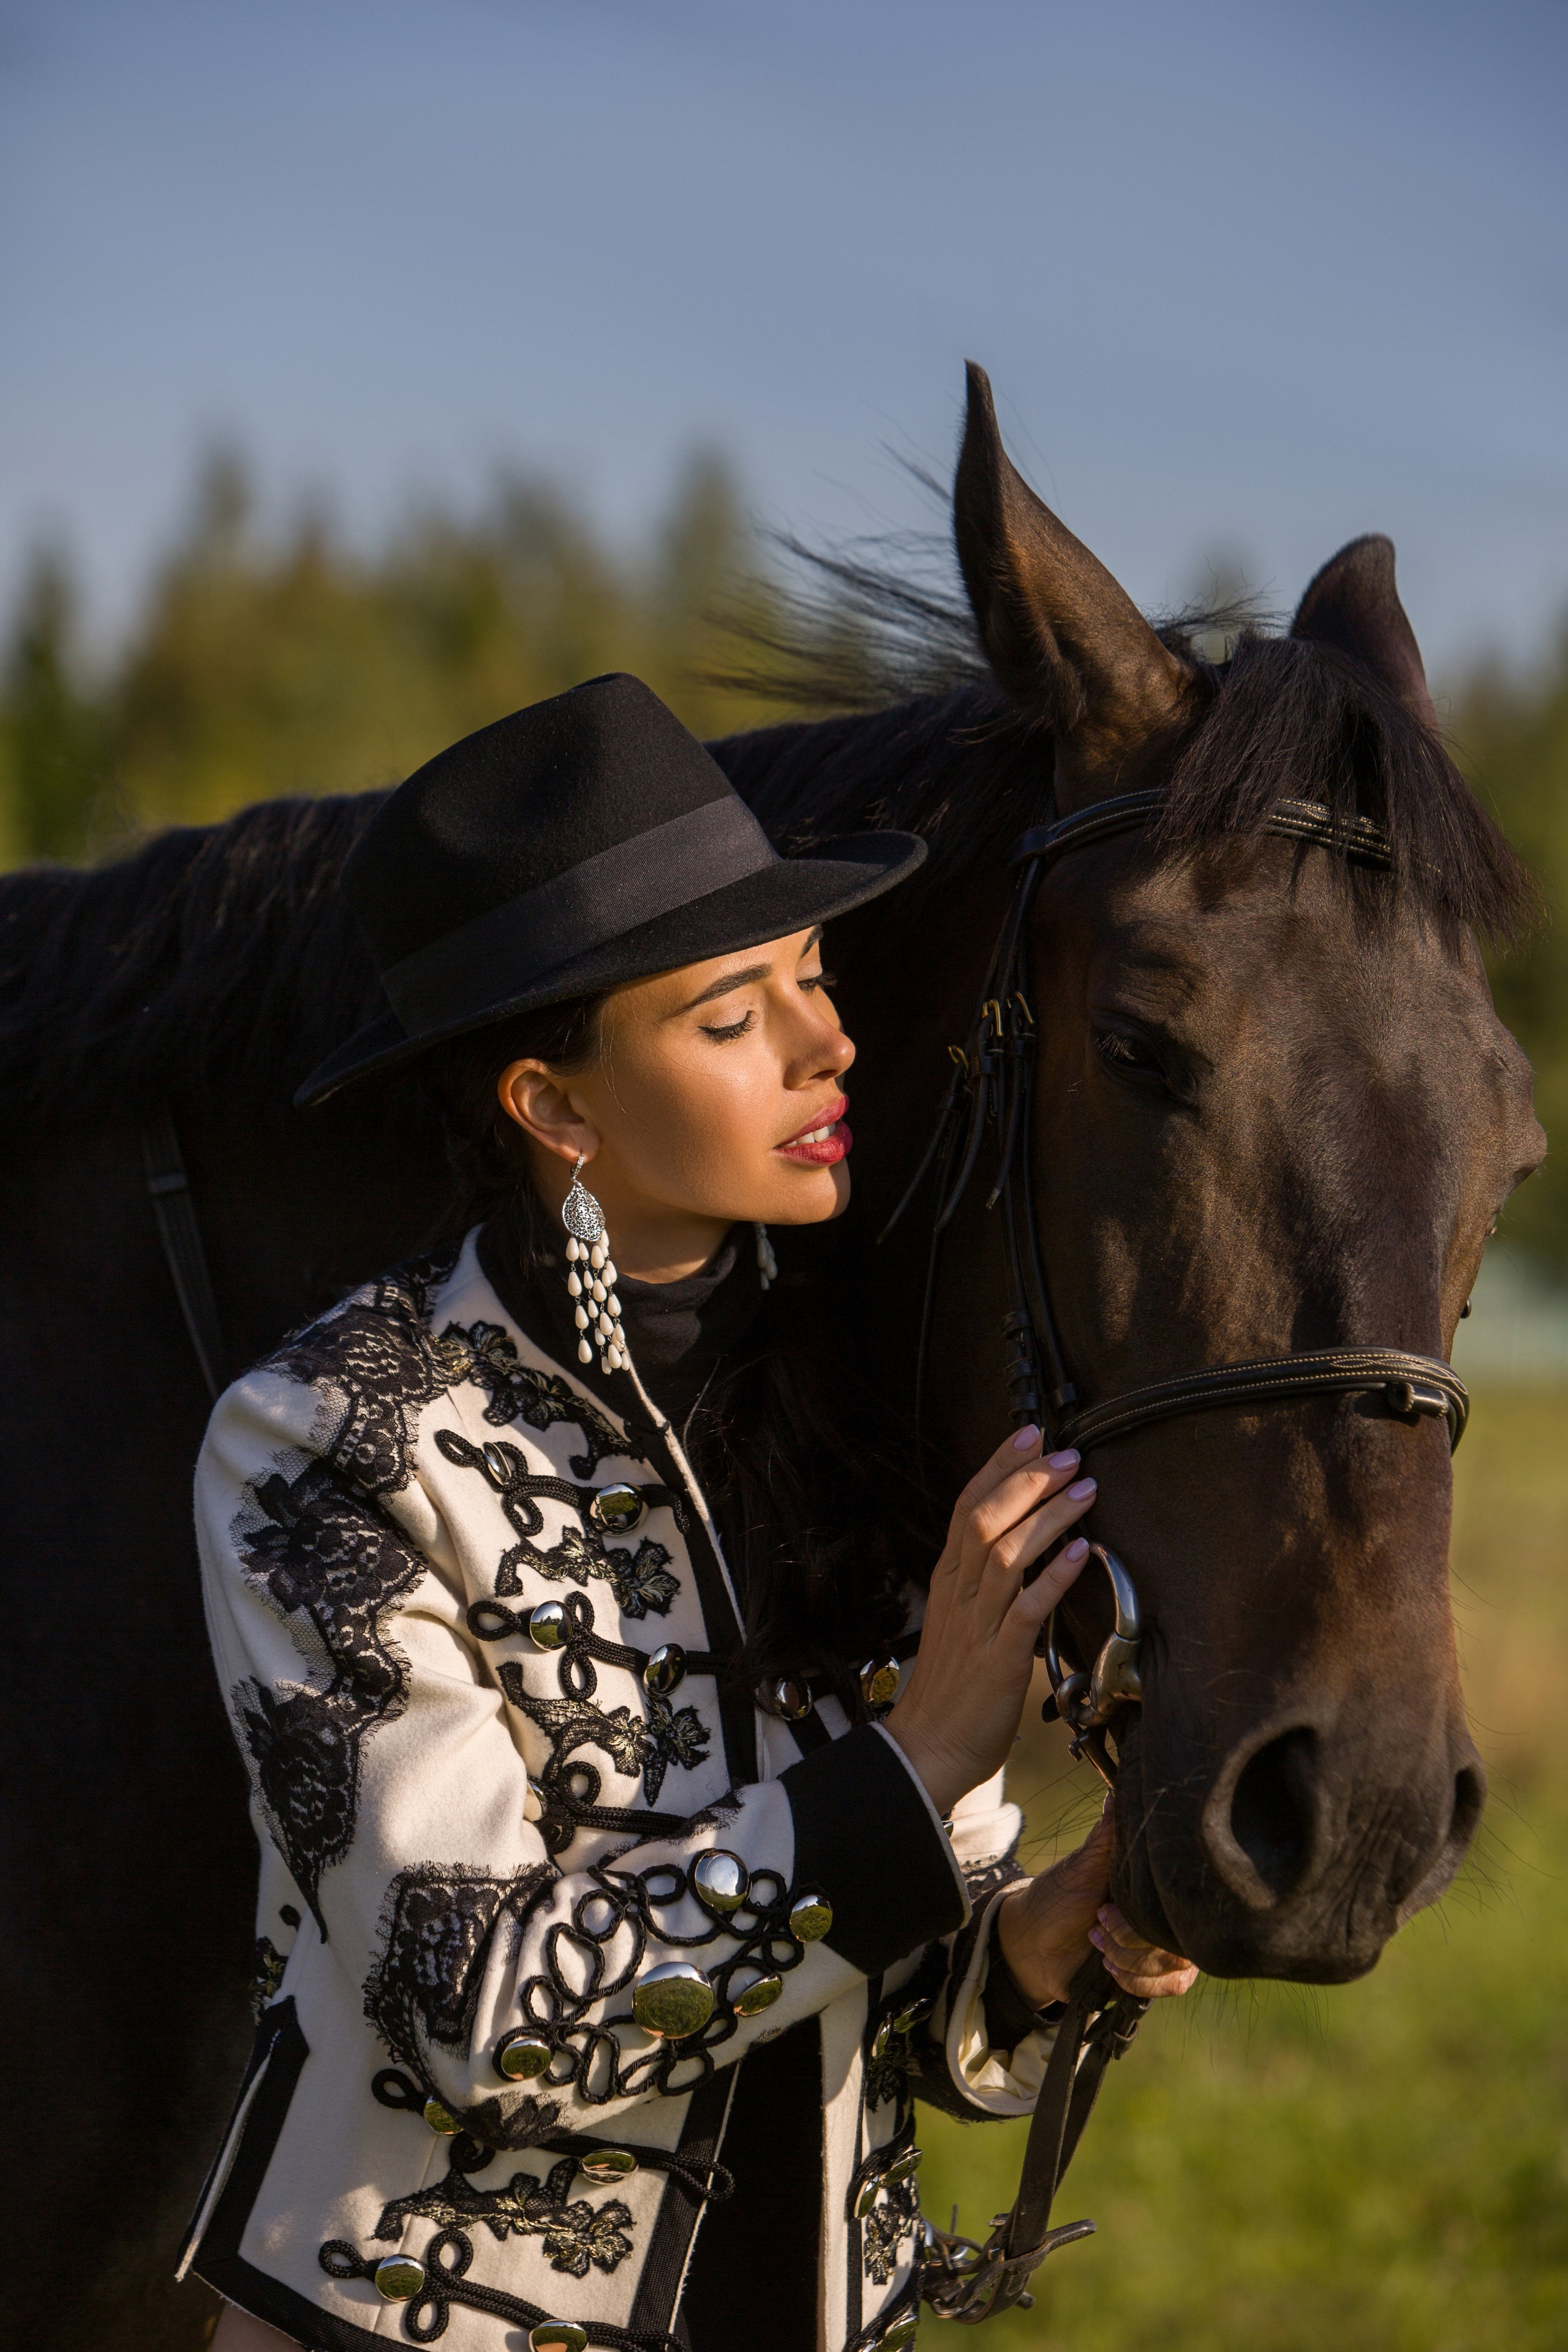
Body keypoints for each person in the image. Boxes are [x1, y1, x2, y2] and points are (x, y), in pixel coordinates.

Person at [185, 673, 1194, 2352]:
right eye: (731, 1018)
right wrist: (915, 1770)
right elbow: (480, 2014)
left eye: (812, 976)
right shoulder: (326, 1443)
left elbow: (868, 1992)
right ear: (557, 1107)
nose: (827, 1042)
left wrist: (1041, 1940)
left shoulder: (857, 1413)